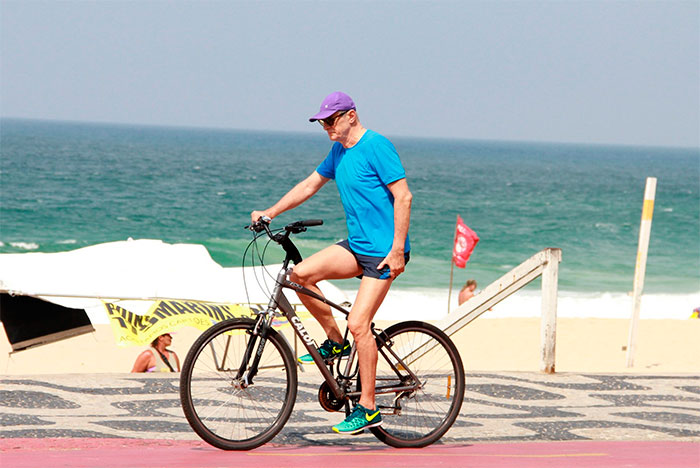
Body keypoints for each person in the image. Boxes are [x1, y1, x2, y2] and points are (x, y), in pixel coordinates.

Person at [251, 91, 412, 435]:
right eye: (321, 122)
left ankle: (368, 408)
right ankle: (334, 342)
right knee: (300, 275)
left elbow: (404, 196)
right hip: (357, 247)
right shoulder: (339, 151)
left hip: (384, 253)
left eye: (330, 120)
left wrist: (397, 249)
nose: (325, 126)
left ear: (351, 115)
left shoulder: (376, 146)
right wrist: (271, 212)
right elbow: (311, 184)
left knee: (359, 323)